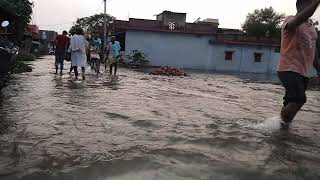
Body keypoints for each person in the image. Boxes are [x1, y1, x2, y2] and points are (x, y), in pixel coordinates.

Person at [277, 0, 320, 128]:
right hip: (288, 69)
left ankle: (282, 132)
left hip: (303, 72)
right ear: (301, 5)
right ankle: (274, 123)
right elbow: (296, 22)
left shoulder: (311, 28)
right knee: (299, 99)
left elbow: (313, 49)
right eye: (310, 4)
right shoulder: (290, 20)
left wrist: (318, 68)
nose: (312, 8)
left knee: (290, 101)